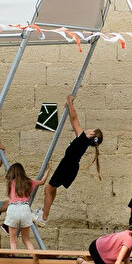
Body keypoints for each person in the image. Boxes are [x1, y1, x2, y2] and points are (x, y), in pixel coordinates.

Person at [40, 94, 103, 224]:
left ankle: (43, 217)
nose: (89, 128)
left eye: (91, 129)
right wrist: (69, 106)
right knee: (53, 188)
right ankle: (45, 213)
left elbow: (75, 119)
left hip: (67, 165)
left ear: (92, 134)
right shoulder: (83, 140)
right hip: (71, 166)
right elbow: (74, 120)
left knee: (48, 188)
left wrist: (70, 102)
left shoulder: (83, 138)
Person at [5, 162, 46, 250]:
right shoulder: (29, 182)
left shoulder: (10, 182)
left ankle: (14, 260)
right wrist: (47, 170)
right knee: (26, 239)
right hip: (25, 209)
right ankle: (34, 257)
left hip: (13, 208)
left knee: (13, 240)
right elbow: (42, 182)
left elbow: (7, 176)